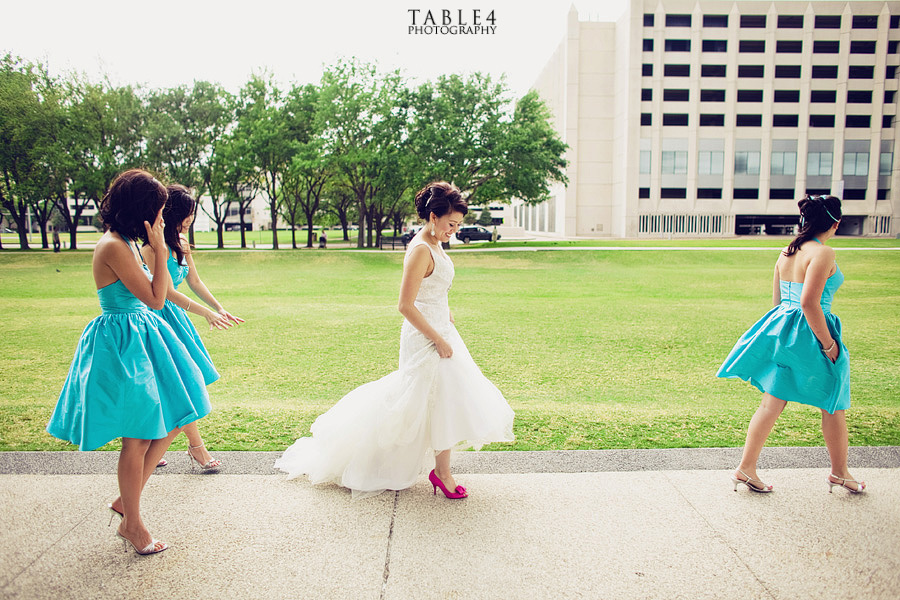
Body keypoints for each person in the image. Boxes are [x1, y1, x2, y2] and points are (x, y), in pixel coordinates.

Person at [275, 181, 514, 499]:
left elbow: (434, 289)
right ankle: (423, 469)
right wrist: (437, 339)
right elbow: (405, 305)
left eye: (458, 225)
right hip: (425, 338)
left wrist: (447, 314)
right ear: (433, 216)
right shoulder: (420, 249)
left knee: (447, 400)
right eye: (451, 224)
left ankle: (441, 471)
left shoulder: (436, 241)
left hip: (442, 330)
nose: (454, 230)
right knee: (412, 403)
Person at [46, 169, 212, 555]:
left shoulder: (126, 242)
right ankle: (133, 525)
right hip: (122, 343)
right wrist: (162, 251)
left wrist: (157, 249)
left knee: (171, 420)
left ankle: (127, 502)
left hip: (139, 335)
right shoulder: (115, 246)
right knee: (137, 437)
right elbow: (156, 298)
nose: (160, 218)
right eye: (155, 211)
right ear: (138, 210)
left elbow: (154, 297)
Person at [718, 195, 864, 494]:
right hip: (813, 332)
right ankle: (840, 472)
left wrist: (783, 335)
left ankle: (745, 468)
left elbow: (779, 302)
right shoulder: (823, 253)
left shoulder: (787, 252)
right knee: (833, 402)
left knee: (772, 401)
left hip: (782, 329)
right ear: (835, 223)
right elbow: (809, 303)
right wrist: (828, 345)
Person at [141, 185, 244, 472]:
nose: (192, 217)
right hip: (158, 316)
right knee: (179, 384)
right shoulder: (150, 247)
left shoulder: (182, 242)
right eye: (189, 212)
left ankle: (157, 444)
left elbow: (194, 282)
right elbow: (165, 292)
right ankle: (195, 448)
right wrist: (205, 314)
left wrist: (219, 307)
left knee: (177, 384)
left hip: (178, 318)